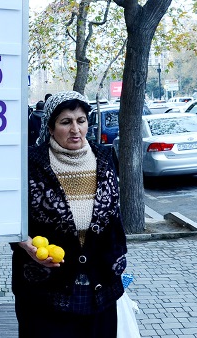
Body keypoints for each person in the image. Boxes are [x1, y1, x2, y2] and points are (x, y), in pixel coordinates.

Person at [12, 91, 127, 338]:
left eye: (81, 120)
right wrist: (26, 246)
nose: (76, 129)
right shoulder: (30, 163)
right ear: (51, 127)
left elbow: (114, 218)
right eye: (66, 122)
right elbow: (8, 216)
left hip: (100, 286)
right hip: (45, 290)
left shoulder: (105, 158)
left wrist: (118, 259)